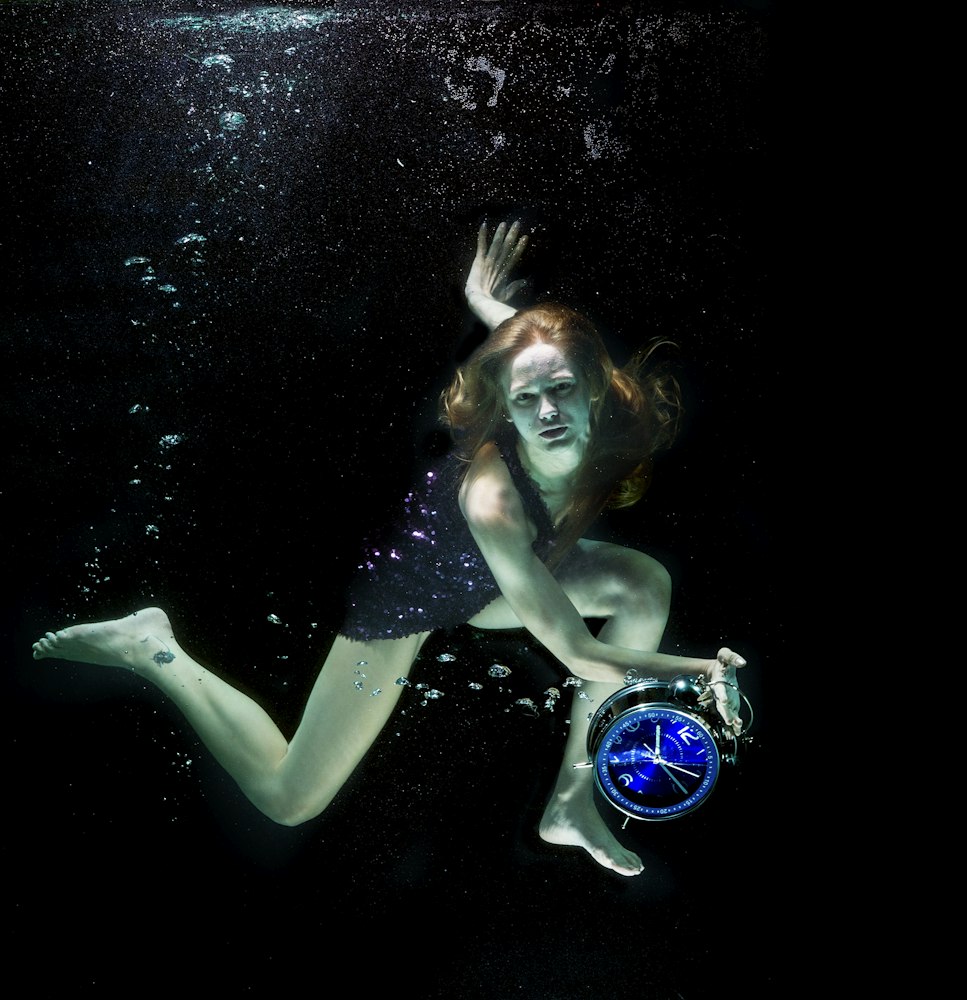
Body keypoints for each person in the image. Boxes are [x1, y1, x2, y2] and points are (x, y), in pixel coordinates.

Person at [31, 221, 747, 877]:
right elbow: (578, 653)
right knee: (289, 796)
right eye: (527, 402)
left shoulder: (595, 394)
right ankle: (152, 648)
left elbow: (532, 349)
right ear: (505, 404)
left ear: (593, 385)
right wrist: (702, 671)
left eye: (562, 391)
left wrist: (483, 299)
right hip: (410, 594)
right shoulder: (493, 500)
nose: (548, 413)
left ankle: (571, 802)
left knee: (641, 584)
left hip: (504, 583)